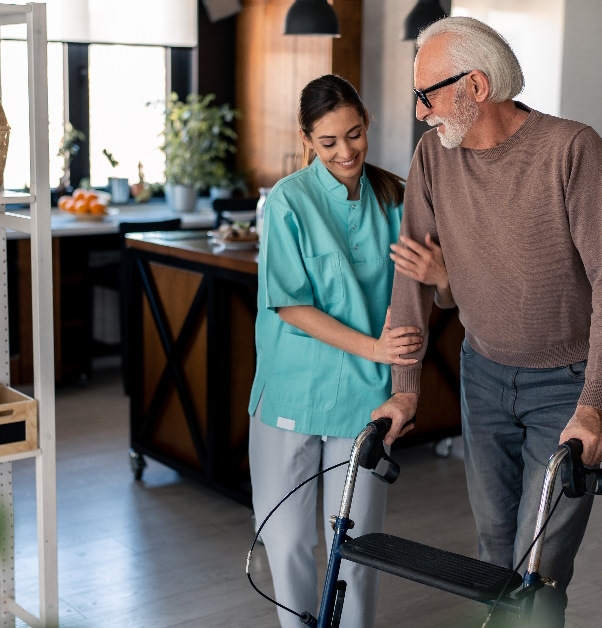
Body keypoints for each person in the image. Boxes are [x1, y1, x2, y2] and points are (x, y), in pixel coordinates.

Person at [374, 16, 602, 625]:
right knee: (494, 549)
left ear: (475, 85)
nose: (420, 113)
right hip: (483, 375)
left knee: (538, 566)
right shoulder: (433, 158)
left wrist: (596, 403)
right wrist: (404, 390)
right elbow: (413, 273)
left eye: (427, 95)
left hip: (565, 388)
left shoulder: (572, 150)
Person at [248, 74, 425, 628]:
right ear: (306, 139)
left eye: (354, 134)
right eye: (328, 142)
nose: (345, 152)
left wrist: (402, 382)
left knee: (359, 549)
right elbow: (291, 305)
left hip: (364, 402)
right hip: (290, 395)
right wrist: (376, 347)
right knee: (290, 543)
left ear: (367, 123)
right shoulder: (287, 202)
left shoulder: (395, 198)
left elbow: (418, 294)